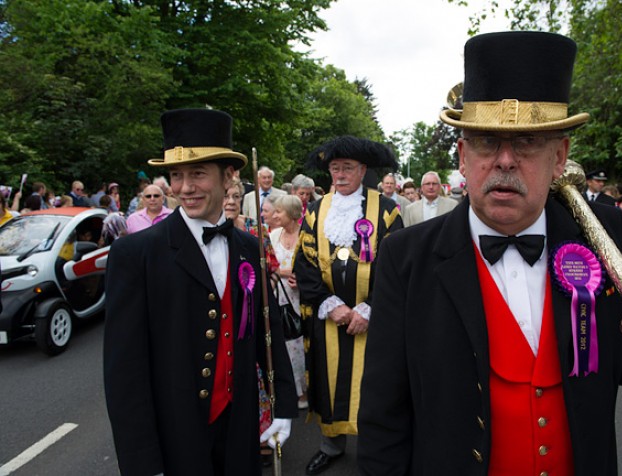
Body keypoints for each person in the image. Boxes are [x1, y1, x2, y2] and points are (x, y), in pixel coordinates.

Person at [357, 31, 622, 475]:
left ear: (559, 156)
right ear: (463, 156)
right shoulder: (405, 257)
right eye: (487, 141)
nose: (505, 160)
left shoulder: (606, 236)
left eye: (526, 142)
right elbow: (383, 413)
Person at [104, 108, 296, 476]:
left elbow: (266, 334)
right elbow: (124, 373)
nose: (184, 188)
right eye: (176, 175)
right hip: (175, 435)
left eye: (197, 174)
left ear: (229, 177)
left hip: (240, 429)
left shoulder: (248, 247)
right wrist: (141, 462)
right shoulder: (135, 255)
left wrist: (283, 402)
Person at [293, 135, 404, 475]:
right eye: (335, 168)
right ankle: (331, 446)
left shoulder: (386, 210)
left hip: (374, 319)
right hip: (329, 319)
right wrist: (331, 305)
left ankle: (374, 449)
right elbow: (304, 264)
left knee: (374, 383)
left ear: (362, 170)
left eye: (348, 169)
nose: (340, 175)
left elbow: (397, 263)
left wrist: (368, 308)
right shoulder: (314, 211)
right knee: (330, 385)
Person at [269, 195, 308, 410]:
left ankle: (304, 392)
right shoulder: (273, 235)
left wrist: (301, 278)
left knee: (300, 345)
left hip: (300, 298)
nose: (274, 216)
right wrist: (286, 273)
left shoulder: (306, 236)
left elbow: (314, 267)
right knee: (282, 344)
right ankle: (289, 390)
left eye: (279, 212)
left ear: (293, 214)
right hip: (278, 296)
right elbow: (268, 265)